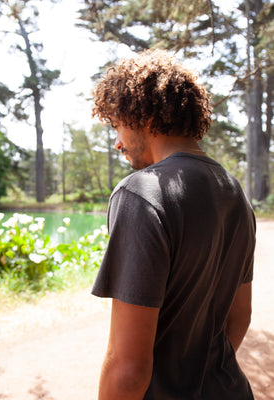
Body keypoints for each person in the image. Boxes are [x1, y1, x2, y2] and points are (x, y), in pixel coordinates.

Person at [91, 49, 256, 400]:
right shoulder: (234, 192)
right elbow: (239, 316)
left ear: (142, 116)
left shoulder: (141, 192)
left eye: (118, 125)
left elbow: (128, 367)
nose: (118, 142)